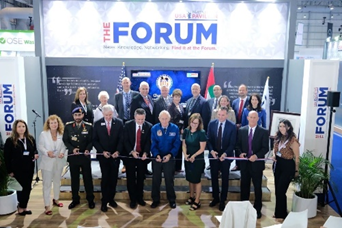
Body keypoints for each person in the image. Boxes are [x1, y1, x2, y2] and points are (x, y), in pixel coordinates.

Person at [235, 111, 269, 219]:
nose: (253, 119)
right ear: (247, 118)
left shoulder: (263, 131)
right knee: (244, 186)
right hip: (244, 164)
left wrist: (256, 156)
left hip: (257, 165)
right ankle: (243, 208)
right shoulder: (241, 130)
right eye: (251, 117)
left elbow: (265, 148)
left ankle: (257, 209)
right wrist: (240, 153)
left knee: (257, 188)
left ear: (258, 118)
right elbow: (237, 145)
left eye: (255, 117)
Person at [4, 120, 39, 215]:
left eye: (23, 126)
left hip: (29, 167)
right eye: (19, 126)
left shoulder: (30, 138)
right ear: (15, 128)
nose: (21, 128)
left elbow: (34, 150)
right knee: (21, 188)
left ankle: (24, 206)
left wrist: (35, 154)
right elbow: (6, 157)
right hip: (17, 169)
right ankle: (20, 207)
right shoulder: (10, 140)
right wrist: (9, 171)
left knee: (28, 188)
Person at [63, 107, 95, 210]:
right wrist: (72, 149)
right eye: (76, 115)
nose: (77, 117)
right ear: (73, 116)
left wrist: (88, 149)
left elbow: (91, 140)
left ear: (83, 115)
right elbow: (66, 140)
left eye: (79, 115)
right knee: (74, 179)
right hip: (73, 157)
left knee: (87, 179)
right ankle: (75, 199)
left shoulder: (89, 126)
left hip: (84, 156)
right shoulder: (68, 126)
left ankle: (90, 199)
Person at [93, 104, 123, 212]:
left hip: (115, 156)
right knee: (105, 178)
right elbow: (95, 140)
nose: (109, 117)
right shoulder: (97, 124)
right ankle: (104, 201)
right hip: (103, 156)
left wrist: (118, 151)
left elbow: (121, 139)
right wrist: (102, 151)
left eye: (110, 115)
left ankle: (111, 199)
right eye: (106, 115)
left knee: (113, 178)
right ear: (103, 114)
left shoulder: (119, 123)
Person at [207, 107, 237, 211]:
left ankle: (223, 200)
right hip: (214, 155)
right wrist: (211, 151)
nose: (220, 117)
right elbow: (208, 140)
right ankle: (215, 198)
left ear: (227, 115)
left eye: (223, 115)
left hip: (226, 155)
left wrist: (225, 153)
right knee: (214, 177)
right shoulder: (211, 124)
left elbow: (232, 143)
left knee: (225, 178)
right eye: (219, 115)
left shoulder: (232, 126)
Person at [150, 110, 181, 209]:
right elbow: (153, 143)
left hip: (170, 158)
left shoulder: (175, 128)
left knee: (169, 180)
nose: (164, 120)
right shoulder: (154, 128)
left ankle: (171, 200)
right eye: (162, 118)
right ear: (159, 119)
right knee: (156, 180)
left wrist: (170, 155)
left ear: (169, 118)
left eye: (166, 118)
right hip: (157, 158)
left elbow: (177, 144)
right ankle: (155, 200)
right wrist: (156, 155)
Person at [123, 108, 153, 209]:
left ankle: (140, 197)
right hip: (130, 155)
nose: (140, 121)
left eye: (142, 119)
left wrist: (145, 153)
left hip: (142, 157)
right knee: (131, 178)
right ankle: (132, 199)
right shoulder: (128, 125)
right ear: (135, 117)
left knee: (141, 178)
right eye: (138, 119)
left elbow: (149, 142)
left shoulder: (149, 126)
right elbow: (125, 140)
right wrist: (131, 152)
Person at [38, 115, 67, 215]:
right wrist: (47, 152)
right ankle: (47, 205)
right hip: (47, 163)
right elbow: (40, 146)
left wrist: (62, 152)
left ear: (58, 124)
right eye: (52, 123)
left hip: (58, 162)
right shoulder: (43, 134)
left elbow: (64, 146)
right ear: (48, 124)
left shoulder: (61, 134)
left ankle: (56, 199)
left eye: (55, 122)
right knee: (46, 184)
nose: (54, 124)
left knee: (57, 182)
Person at [272, 119, 300, 219]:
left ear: (288, 127)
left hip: (288, 166)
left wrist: (296, 170)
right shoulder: (278, 137)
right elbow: (274, 149)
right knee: (277, 190)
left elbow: (297, 157)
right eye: (280, 126)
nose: (282, 128)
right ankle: (278, 212)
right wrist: (274, 155)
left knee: (281, 190)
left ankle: (282, 213)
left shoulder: (293, 140)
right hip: (277, 164)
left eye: (284, 126)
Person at [182, 113, 207, 211]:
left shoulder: (201, 132)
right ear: (190, 122)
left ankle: (197, 200)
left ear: (199, 123)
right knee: (190, 178)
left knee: (196, 180)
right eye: (193, 123)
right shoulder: (186, 131)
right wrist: (185, 154)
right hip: (188, 159)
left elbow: (202, 149)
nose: (194, 125)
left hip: (197, 160)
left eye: (196, 123)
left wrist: (193, 156)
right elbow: (184, 144)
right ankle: (191, 196)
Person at [168, 89, 185, 172]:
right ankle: (173, 168)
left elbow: (183, 119)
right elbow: (171, 121)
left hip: (181, 132)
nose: (177, 98)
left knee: (180, 149)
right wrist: (178, 128)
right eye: (176, 97)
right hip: (174, 131)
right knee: (174, 148)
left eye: (179, 97)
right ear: (173, 97)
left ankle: (178, 167)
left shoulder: (181, 106)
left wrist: (182, 128)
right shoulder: (170, 107)